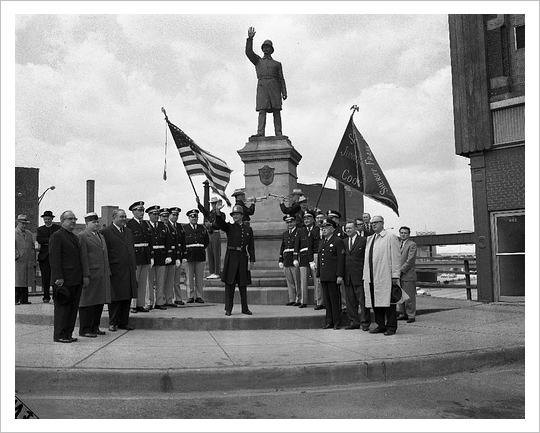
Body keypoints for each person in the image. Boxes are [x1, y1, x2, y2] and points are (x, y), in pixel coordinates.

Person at [245, 26, 287, 137]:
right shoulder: (258, 61)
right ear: (262, 49)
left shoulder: (277, 64)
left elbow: (281, 78)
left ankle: (279, 133)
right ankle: (260, 133)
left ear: (271, 49)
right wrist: (250, 39)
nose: (266, 49)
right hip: (262, 86)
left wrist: (284, 91)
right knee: (262, 111)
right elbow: (249, 52)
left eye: (268, 47)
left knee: (276, 111)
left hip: (274, 87)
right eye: (265, 47)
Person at [363, 215, 401, 336]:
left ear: (382, 223)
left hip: (385, 275)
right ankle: (381, 325)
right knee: (375, 303)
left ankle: (391, 327)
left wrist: (395, 275)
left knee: (388, 303)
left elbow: (396, 257)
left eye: (376, 222)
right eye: (372, 223)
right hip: (372, 276)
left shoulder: (390, 237)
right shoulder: (370, 238)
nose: (374, 224)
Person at [49, 210, 83, 343]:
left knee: (73, 308)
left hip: (75, 278)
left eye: (74, 219)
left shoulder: (73, 237)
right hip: (63, 280)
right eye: (70, 219)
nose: (73, 221)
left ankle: (68, 333)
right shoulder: (57, 236)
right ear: (62, 221)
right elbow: (55, 258)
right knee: (62, 308)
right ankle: (59, 335)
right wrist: (59, 277)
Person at [215, 204, 255, 316]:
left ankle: (245, 308)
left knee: (243, 284)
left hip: (242, 257)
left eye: (237, 214)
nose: (235, 216)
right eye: (233, 214)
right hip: (231, 257)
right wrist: (218, 212)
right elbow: (221, 224)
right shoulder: (230, 227)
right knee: (229, 284)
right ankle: (228, 308)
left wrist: (252, 260)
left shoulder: (248, 229)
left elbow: (251, 246)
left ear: (242, 215)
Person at [101, 209, 137, 332]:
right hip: (115, 269)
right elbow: (105, 252)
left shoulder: (128, 231)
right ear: (114, 217)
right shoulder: (106, 232)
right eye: (121, 216)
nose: (124, 219)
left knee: (127, 297)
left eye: (125, 216)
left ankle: (124, 322)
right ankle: (113, 322)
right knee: (115, 298)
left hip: (128, 269)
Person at [77, 212, 111, 337]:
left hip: (102, 274)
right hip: (91, 274)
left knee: (99, 302)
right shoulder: (82, 236)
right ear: (86, 223)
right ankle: (85, 329)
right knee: (87, 302)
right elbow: (82, 257)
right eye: (93, 222)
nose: (96, 224)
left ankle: (94, 327)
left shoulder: (100, 236)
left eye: (97, 222)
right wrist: (85, 275)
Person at [315, 218, 345, 329]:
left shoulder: (337, 241)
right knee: (327, 300)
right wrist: (318, 274)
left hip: (333, 276)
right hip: (324, 275)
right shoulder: (322, 242)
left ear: (332, 228)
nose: (324, 229)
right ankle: (329, 321)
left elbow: (340, 259)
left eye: (326, 227)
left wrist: (340, 275)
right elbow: (319, 259)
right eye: (322, 228)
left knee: (334, 299)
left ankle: (337, 322)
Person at [343, 220, 371, 331]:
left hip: (360, 275)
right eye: (346, 228)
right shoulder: (344, 242)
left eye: (350, 228)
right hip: (348, 276)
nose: (348, 230)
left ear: (355, 229)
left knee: (363, 301)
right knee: (350, 301)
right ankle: (354, 322)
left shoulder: (363, 241)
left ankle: (365, 323)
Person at [126, 201, 152, 313]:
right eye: (139, 210)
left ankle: (140, 304)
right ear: (133, 211)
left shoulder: (145, 224)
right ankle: (133, 305)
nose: (142, 213)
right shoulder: (129, 224)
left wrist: (151, 256)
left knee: (143, 282)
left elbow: (149, 241)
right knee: (134, 282)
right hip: (136, 256)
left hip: (145, 255)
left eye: (142, 210)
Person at [145, 205, 172, 310]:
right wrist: (150, 256)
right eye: (154, 214)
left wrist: (169, 255)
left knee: (161, 281)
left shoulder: (164, 226)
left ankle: (159, 302)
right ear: (149, 215)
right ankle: (149, 302)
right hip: (151, 257)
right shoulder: (146, 226)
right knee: (150, 282)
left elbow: (169, 242)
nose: (156, 216)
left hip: (161, 256)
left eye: (157, 214)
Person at [183, 208, 210, 303]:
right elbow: (182, 242)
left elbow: (206, 241)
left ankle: (199, 296)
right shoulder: (184, 229)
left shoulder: (202, 228)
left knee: (199, 277)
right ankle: (190, 296)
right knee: (189, 277)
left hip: (200, 255)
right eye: (192, 217)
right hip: (189, 255)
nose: (194, 219)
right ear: (189, 218)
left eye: (196, 217)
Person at [294, 210, 318, 309]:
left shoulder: (317, 229)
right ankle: (303, 301)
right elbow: (296, 245)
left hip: (313, 257)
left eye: (308, 218)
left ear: (313, 219)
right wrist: (295, 258)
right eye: (304, 218)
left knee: (317, 280)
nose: (306, 220)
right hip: (303, 257)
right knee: (303, 280)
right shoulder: (300, 231)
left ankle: (318, 300)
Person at [36, 210, 61, 303]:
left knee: (55, 276)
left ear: (52, 219)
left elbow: (58, 239)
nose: (47, 221)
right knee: (45, 277)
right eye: (45, 219)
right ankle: (46, 296)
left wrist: (46, 241)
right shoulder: (40, 229)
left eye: (48, 219)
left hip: (55, 256)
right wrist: (51, 240)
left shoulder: (57, 228)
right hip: (44, 257)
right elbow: (39, 240)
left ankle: (56, 296)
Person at [159, 208, 182, 308]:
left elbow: (176, 244)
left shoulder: (172, 228)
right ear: (160, 217)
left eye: (167, 216)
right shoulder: (158, 227)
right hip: (161, 257)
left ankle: (169, 299)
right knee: (161, 281)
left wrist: (177, 257)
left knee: (169, 281)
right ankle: (161, 300)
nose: (165, 218)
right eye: (163, 216)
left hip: (171, 257)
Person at [196, 196, 222, 279]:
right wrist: (199, 203)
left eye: (215, 203)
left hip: (216, 233)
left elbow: (221, 224)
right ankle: (212, 271)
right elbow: (203, 211)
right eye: (212, 204)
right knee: (210, 253)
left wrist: (211, 225)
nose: (213, 205)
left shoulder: (222, 214)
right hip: (209, 234)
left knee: (216, 253)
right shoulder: (210, 214)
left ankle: (217, 272)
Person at [279, 215, 301, 307]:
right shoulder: (285, 234)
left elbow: (298, 245)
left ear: (295, 222)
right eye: (287, 222)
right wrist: (280, 259)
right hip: (286, 259)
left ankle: (298, 299)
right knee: (289, 281)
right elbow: (282, 247)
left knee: (297, 280)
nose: (289, 224)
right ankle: (292, 299)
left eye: (291, 222)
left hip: (294, 258)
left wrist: (296, 258)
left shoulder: (299, 232)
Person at [397, 226, 418, 323]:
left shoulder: (412, 244)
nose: (403, 234)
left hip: (407, 274)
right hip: (398, 274)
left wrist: (401, 270)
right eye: (401, 233)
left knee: (409, 296)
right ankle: (403, 313)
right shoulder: (397, 244)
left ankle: (411, 315)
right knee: (400, 295)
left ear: (409, 234)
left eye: (405, 233)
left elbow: (410, 260)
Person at [15, 214, 36, 305]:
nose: (24, 225)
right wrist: (17, 255)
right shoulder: (13, 233)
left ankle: (24, 299)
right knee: (17, 280)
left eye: (25, 224)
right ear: (17, 223)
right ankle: (15, 299)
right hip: (18, 261)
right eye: (22, 223)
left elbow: (32, 245)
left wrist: (31, 255)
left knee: (26, 280)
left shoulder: (29, 233)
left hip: (27, 260)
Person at [168, 207, 186, 305]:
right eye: (173, 214)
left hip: (178, 254)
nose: (175, 217)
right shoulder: (166, 226)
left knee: (177, 280)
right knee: (169, 280)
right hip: (170, 254)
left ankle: (178, 298)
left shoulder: (180, 227)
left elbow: (183, 242)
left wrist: (183, 255)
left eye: (177, 215)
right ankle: (169, 298)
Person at [313, 210, 326, 310]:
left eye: (321, 218)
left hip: (327, 255)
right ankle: (319, 301)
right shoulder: (313, 231)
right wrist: (311, 260)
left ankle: (327, 301)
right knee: (318, 281)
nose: (319, 220)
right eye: (317, 218)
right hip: (317, 255)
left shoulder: (329, 229)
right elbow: (309, 245)